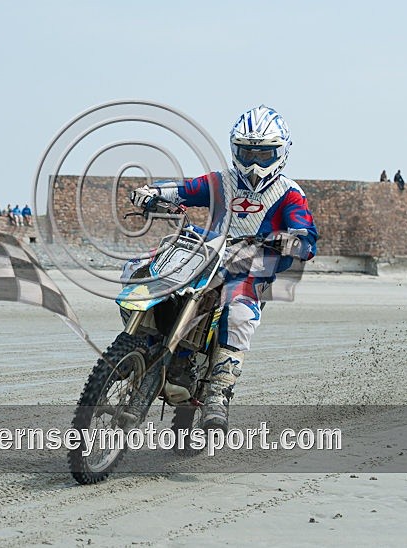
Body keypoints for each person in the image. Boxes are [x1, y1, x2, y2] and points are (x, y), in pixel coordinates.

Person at [129, 105, 317, 431]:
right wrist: (150, 192)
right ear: (235, 150)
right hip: (207, 253)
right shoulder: (221, 182)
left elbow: (306, 234)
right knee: (143, 267)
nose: (255, 162)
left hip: (251, 264)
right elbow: (184, 190)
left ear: (281, 152)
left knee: (240, 308)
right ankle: (138, 343)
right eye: (247, 152)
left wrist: (295, 241)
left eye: (264, 153)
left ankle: (217, 393)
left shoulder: (289, 194)